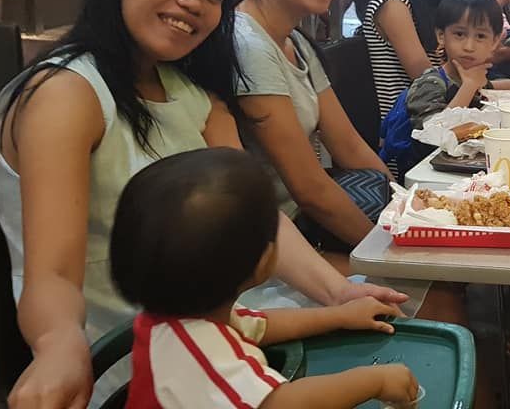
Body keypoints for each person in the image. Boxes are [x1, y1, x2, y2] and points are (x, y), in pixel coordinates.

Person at [0, 0, 407, 409]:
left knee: (412, 315)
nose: (194, 2)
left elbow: (254, 217)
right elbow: (51, 271)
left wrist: (335, 291)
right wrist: (58, 346)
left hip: (227, 321)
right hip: (136, 359)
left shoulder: (195, 94)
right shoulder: (66, 94)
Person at [110, 148, 419, 408]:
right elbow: (277, 403)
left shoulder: (185, 314)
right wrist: (374, 380)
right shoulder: (197, 351)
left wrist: (339, 315)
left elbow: (260, 325)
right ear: (262, 262)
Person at [234, 0, 396, 250]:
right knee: (440, 299)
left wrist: (407, 208)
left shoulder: (295, 41)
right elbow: (309, 190)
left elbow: (349, 145)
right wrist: (386, 254)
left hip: (308, 230)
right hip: (272, 245)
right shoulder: (248, 44)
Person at [380, 0, 510, 174]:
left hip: (461, 167)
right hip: (427, 174)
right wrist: (469, 86)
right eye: (459, 34)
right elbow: (436, 136)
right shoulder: (431, 83)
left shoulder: (471, 75)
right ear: (441, 36)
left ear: (495, 42)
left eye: (480, 36)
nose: (469, 46)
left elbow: (502, 86)